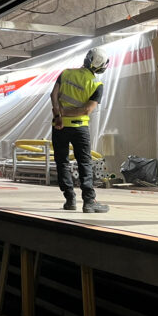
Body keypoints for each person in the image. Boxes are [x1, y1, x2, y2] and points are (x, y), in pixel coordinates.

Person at [50, 46, 111, 213]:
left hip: (59, 126)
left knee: (62, 162)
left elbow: (53, 95)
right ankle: (89, 202)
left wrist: (59, 115)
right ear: (100, 66)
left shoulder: (66, 73)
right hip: (80, 128)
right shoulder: (96, 84)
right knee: (85, 163)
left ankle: (70, 199)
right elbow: (87, 110)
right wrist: (66, 113)